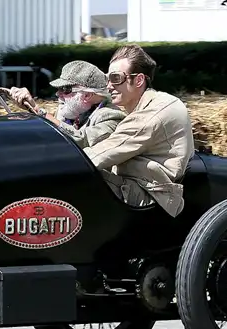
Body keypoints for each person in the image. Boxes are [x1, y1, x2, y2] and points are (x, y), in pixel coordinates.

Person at [83, 45, 196, 218]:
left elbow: (99, 155)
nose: (109, 86)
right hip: (137, 186)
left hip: (150, 195)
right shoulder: (146, 105)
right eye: (107, 79)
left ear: (138, 80)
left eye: (116, 78)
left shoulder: (152, 114)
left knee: (77, 180)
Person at [8, 60, 126, 148]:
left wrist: (37, 109)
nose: (58, 94)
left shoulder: (111, 116)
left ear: (88, 95)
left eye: (65, 89)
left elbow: (81, 139)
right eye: (59, 89)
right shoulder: (71, 110)